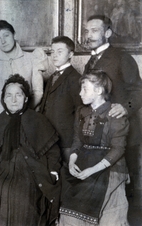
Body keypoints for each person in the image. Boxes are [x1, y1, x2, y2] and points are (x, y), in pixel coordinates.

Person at [0, 74, 61, 226]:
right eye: (9, 95)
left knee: (22, 194)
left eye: (18, 95)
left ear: (26, 98)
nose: (13, 100)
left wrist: (52, 171)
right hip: (2, 165)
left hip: (30, 168)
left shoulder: (38, 120)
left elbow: (53, 152)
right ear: (3, 99)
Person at [83, 15, 142, 213]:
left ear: (107, 33)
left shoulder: (122, 57)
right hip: (101, 134)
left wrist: (126, 107)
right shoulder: (90, 61)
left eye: (94, 30)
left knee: (127, 184)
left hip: (125, 132)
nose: (88, 35)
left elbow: (138, 89)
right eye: (87, 31)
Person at [59, 70, 130, 225]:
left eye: (84, 89)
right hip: (84, 162)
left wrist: (92, 170)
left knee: (109, 214)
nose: (80, 93)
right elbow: (77, 141)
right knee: (69, 214)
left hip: (110, 168)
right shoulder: (82, 111)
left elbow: (118, 149)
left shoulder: (115, 113)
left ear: (98, 91)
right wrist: (72, 162)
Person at [0, 20, 44, 115]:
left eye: (6, 35)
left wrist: (24, 111)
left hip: (29, 113)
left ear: (14, 35)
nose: (3, 41)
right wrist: (6, 115)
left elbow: (38, 92)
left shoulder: (32, 58)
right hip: (3, 116)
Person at [40, 36, 82, 163]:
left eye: (59, 52)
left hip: (66, 141)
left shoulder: (76, 78)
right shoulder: (53, 76)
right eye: (52, 52)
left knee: (67, 176)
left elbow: (80, 113)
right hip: (50, 138)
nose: (54, 56)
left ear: (70, 54)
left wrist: (75, 143)